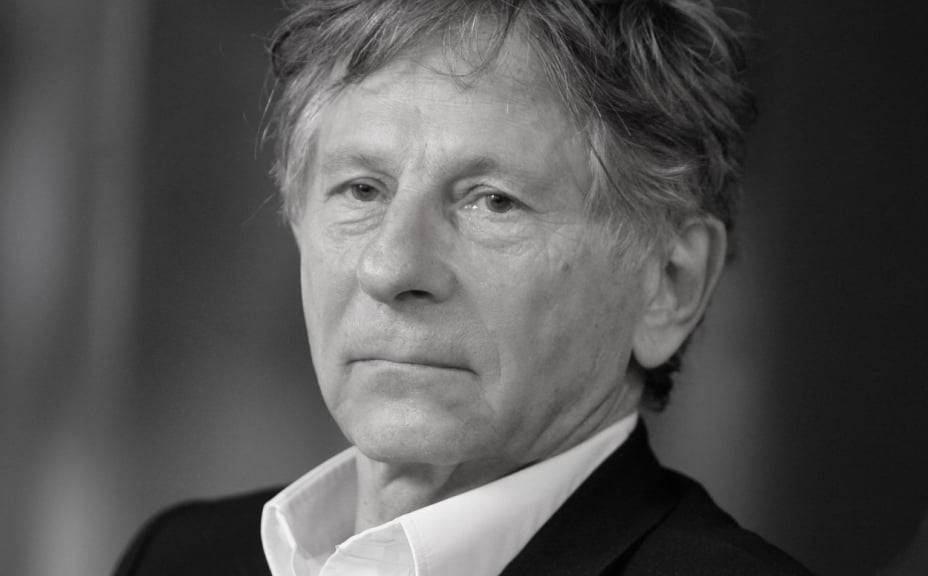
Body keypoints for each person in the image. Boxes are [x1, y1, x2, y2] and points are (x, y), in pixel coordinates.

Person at [114, 0, 812, 574]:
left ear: (670, 283)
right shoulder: (178, 557)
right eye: (362, 189)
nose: (392, 268)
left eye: (493, 201)